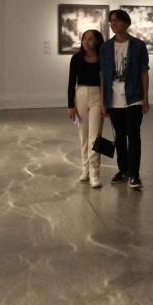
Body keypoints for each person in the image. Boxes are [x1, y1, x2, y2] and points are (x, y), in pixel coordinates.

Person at [100, 9, 150, 190]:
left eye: (117, 21)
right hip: (113, 99)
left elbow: (144, 71)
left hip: (133, 97)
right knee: (119, 137)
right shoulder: (105, 47)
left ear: (126, 23)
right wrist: (103, 101)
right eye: (111, 21)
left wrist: (145, 97)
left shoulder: (138, 45)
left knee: (134, 135)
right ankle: (123, 170)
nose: (113, 24)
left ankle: (134, 174)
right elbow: (103, 75)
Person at [67, 29, 105, 188]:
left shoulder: (103, 58)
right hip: (81, 93)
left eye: (90, 39)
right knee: (83, 135)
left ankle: (95, 173)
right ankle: (85, 170)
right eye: (84, 38)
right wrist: (71, 105)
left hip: (98, 95)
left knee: (95, 136)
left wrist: (105, 103)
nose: (86, 41)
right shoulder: (76, 58)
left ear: (97, 41)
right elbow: (71, 82)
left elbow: (104, 81)